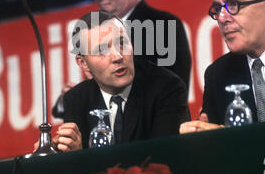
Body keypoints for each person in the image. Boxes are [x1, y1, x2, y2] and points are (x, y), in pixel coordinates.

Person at [52, 0, 191, 119]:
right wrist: (69, 98)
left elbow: (172, 87)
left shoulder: (164, 23)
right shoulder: (96, 33)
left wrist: (99, 84)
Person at [48, 10, 190, 151]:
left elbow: (163, 161)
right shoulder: (75, 100)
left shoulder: (167, 87)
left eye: (122, 43)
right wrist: (67, 155)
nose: (117, 56)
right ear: (83, 63)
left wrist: (84, 159)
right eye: (102, 50)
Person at [179, 0, 265, 134]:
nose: (222, 18)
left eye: (234, 5)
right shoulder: (218, 75)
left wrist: (237, 140)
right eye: (218, 9)